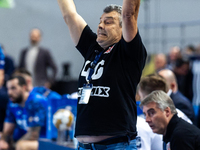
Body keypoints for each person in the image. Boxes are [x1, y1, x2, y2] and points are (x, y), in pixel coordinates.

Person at [57, 0, 147, 149]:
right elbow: (69, 16)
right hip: (84, 145)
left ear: (122, 28)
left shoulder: (128, 52)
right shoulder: (93, 48)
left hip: (116, 145)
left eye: (108, 22)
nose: (100, 26)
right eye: (100, 21)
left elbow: (129, 15)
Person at [0, 76, 48, 150]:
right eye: (8, 89)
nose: (9, 92)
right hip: (25, 139)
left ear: (24, 87)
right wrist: (3, 141)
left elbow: (34, 135)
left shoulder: (36, 101)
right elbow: (7, 130)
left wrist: (14, 146)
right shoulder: (12, 104)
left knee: (21, 146)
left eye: (13, 88)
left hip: (44, 141)